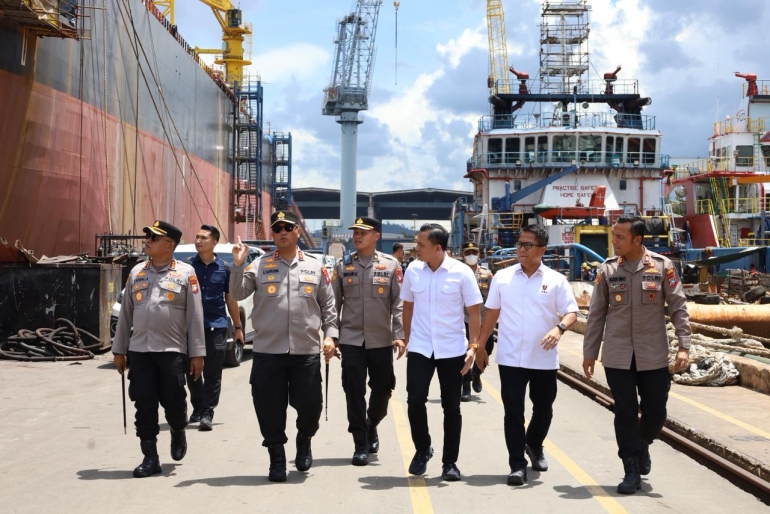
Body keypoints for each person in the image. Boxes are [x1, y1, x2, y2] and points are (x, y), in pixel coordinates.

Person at [582, 215, 691, 494]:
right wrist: (590, 353)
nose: (614, 241)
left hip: (653, 354)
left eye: (620, 237)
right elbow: (596, 315)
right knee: (625, 412)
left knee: (656, 411)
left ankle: (643, 442)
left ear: (637, 240)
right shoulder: (607, 270)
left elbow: (678, 307)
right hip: (618, 355)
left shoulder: (662, 267)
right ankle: (630, 469)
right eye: (614, 236)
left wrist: (684, 345)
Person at [230, 210, 338, 483]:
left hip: (305, 352)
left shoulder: (315, 266)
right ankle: (277, 458)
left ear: (297, 232)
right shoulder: (259, 265)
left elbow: (329, 307)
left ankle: (305, 438)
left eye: (288, 228)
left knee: (311, 407)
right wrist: (238, 265)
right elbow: (237, 293)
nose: (282, 232)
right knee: (269, 409)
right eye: (277, 228)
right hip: (268, 353)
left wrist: (330, 336)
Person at [476, 225, 579, 486]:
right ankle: (516, 465)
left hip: (543, 358)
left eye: (527, 245)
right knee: (513, 412)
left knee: (543, 410)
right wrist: (480, 347)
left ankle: (533, 444)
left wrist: (560, 328)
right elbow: (491, 314)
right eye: (519, 244)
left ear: (542, 249)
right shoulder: (502, 277)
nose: (521, 249)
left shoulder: (556, 280)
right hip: (510, 358)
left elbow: (571, 312)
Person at [112, 220, 205, 478]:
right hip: (140, 351)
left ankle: (177, 430)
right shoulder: (137, 272)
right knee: (144, 404)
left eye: (154, 238)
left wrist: (197, 354)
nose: (148, 241)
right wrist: (119, 350)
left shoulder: (186, 274)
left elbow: (195, 317)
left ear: (169, 245)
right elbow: (126, 316)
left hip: (172, 351)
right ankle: (150, 457)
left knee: (175, 402)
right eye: (149, 237)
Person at [400, 223, 482, 482]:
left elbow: (474, 312)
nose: (416, 249)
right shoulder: (413, 270)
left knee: (452, 407)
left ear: (438, 248)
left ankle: (450, 463)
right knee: (414, 401)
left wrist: (473, 347)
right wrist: (407, 339)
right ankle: (423, 450)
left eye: (421, 245)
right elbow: (408, 308)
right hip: (421, 348)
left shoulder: (461, 273)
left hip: (452, 350)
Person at [332, 217, 405, 466]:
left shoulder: (390, 264)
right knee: (353, 392)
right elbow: (334, 304)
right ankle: (360, 442)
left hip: (381, 339)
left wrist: (399, 334)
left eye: (363, 232)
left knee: (383, 389)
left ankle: (372, 423)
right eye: (355, 232)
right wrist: (332, 335)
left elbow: (398, 303)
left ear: (376, 236)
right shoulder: (343, 265)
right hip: (351, 340)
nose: (357, 236)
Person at [186, 224, 242, 431]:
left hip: (216, 326)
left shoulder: (224, 269)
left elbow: (231, 299)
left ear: (214, 242)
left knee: (213, 372)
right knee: (191, 370)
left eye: (203, 238)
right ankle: (198, 406)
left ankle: (208, 411)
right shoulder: (188, 267)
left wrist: (238, 327)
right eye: (197, 237)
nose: (198, 241)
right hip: (191, 327)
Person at [459, 241, 494, 401]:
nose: (471, 255)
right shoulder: (458, 273)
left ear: (479, 254)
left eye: (474, 252)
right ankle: (466, 385)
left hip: (484, 318)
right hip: (464, 319)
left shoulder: (487, 274)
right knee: (465, 352)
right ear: (462, 255)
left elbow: (494, 295)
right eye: (467, 253)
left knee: (488, 347)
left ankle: (477, 372)